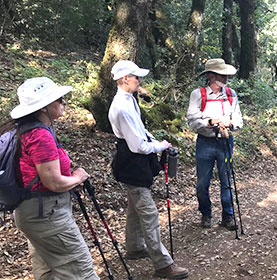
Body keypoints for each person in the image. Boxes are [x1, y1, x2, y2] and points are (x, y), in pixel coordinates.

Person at [3, 77, 99, 279]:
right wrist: (77, 177)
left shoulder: (25, 129)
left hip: (34, 213)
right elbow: (54, 182)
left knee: (48, 272)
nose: (64, 102)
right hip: (47, 214)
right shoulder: (40, 134)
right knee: (80, 271)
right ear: (45, 107)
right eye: (59, 99)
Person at [108, 60, 188, 279]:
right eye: (136, 77)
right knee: (149, 214)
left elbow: (141, 131)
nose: (138, 81)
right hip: (132, 162)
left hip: (134, 162)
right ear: (125, 79)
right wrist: (159, 146)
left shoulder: (129, 101)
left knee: (135, 206)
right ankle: (163, 265)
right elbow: (138, 146)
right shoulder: (122, 107)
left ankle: (134, 247)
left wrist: (156, 141)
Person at [186, 58, 243, 230]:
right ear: (211, 76)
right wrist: (211, 122)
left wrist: (230, 124)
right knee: (203, 182)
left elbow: (239, 119)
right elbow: (192, 121)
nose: (225, 78)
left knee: (227, 180)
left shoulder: (231, 94)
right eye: (221, 74)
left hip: (225, 142)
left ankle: (228, 216)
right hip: (205, 143)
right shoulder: (198, 95)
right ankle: (206, 213)